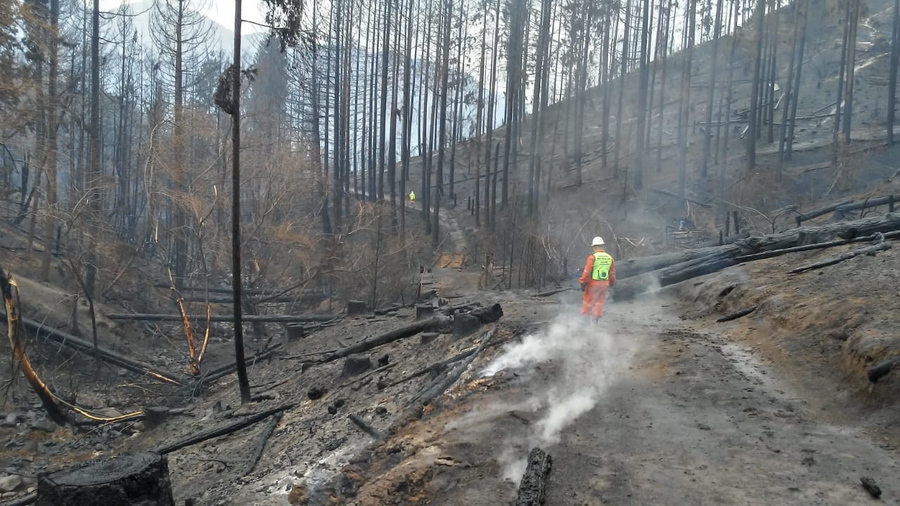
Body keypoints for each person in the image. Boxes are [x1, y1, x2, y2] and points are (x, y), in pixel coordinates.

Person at [578, 236, 616, 323]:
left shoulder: (592, 257)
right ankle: (595, 320)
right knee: (600, 301)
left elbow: (587, 272)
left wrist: (582, 282)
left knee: (588, 300)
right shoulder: (610, 258)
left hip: (593, 284)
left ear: (594, 247)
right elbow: (612, 273)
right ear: (603, 246)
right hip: (604, 284)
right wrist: (611, 282)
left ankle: (585, 320)